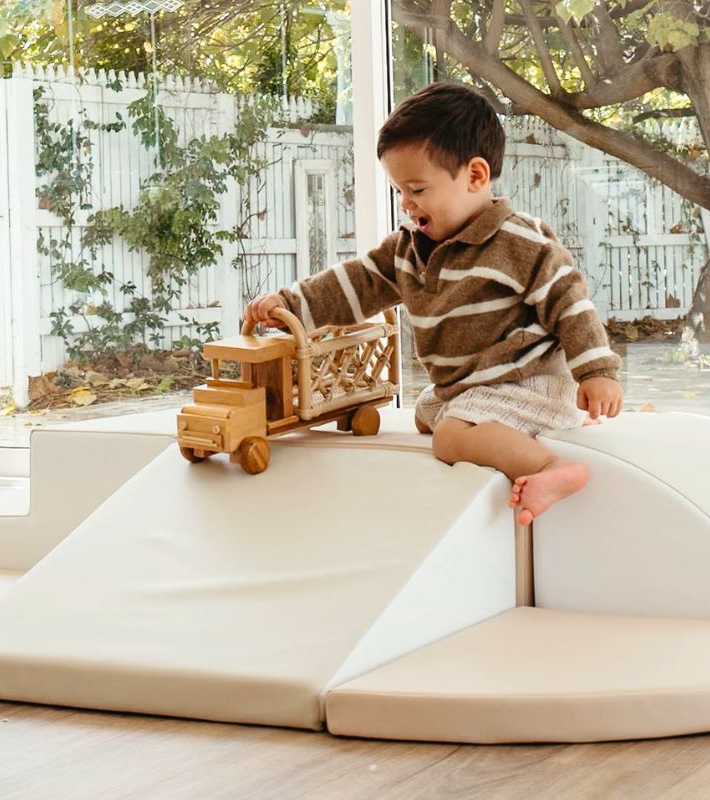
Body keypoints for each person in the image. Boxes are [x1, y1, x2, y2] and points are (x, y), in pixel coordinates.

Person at [245, 82, 623, 524]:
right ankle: (522, 427)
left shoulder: (519, 241)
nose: (406, 204)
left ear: (475, 177)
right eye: (399, 192)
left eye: (417, 190)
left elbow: (570, 303)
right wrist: (290, 304)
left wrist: (596, 372)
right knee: (427, 414)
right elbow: (353, 284)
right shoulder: (406, 250)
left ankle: (551, 468)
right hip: (469, 386)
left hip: (525, 381)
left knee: (448, 437)